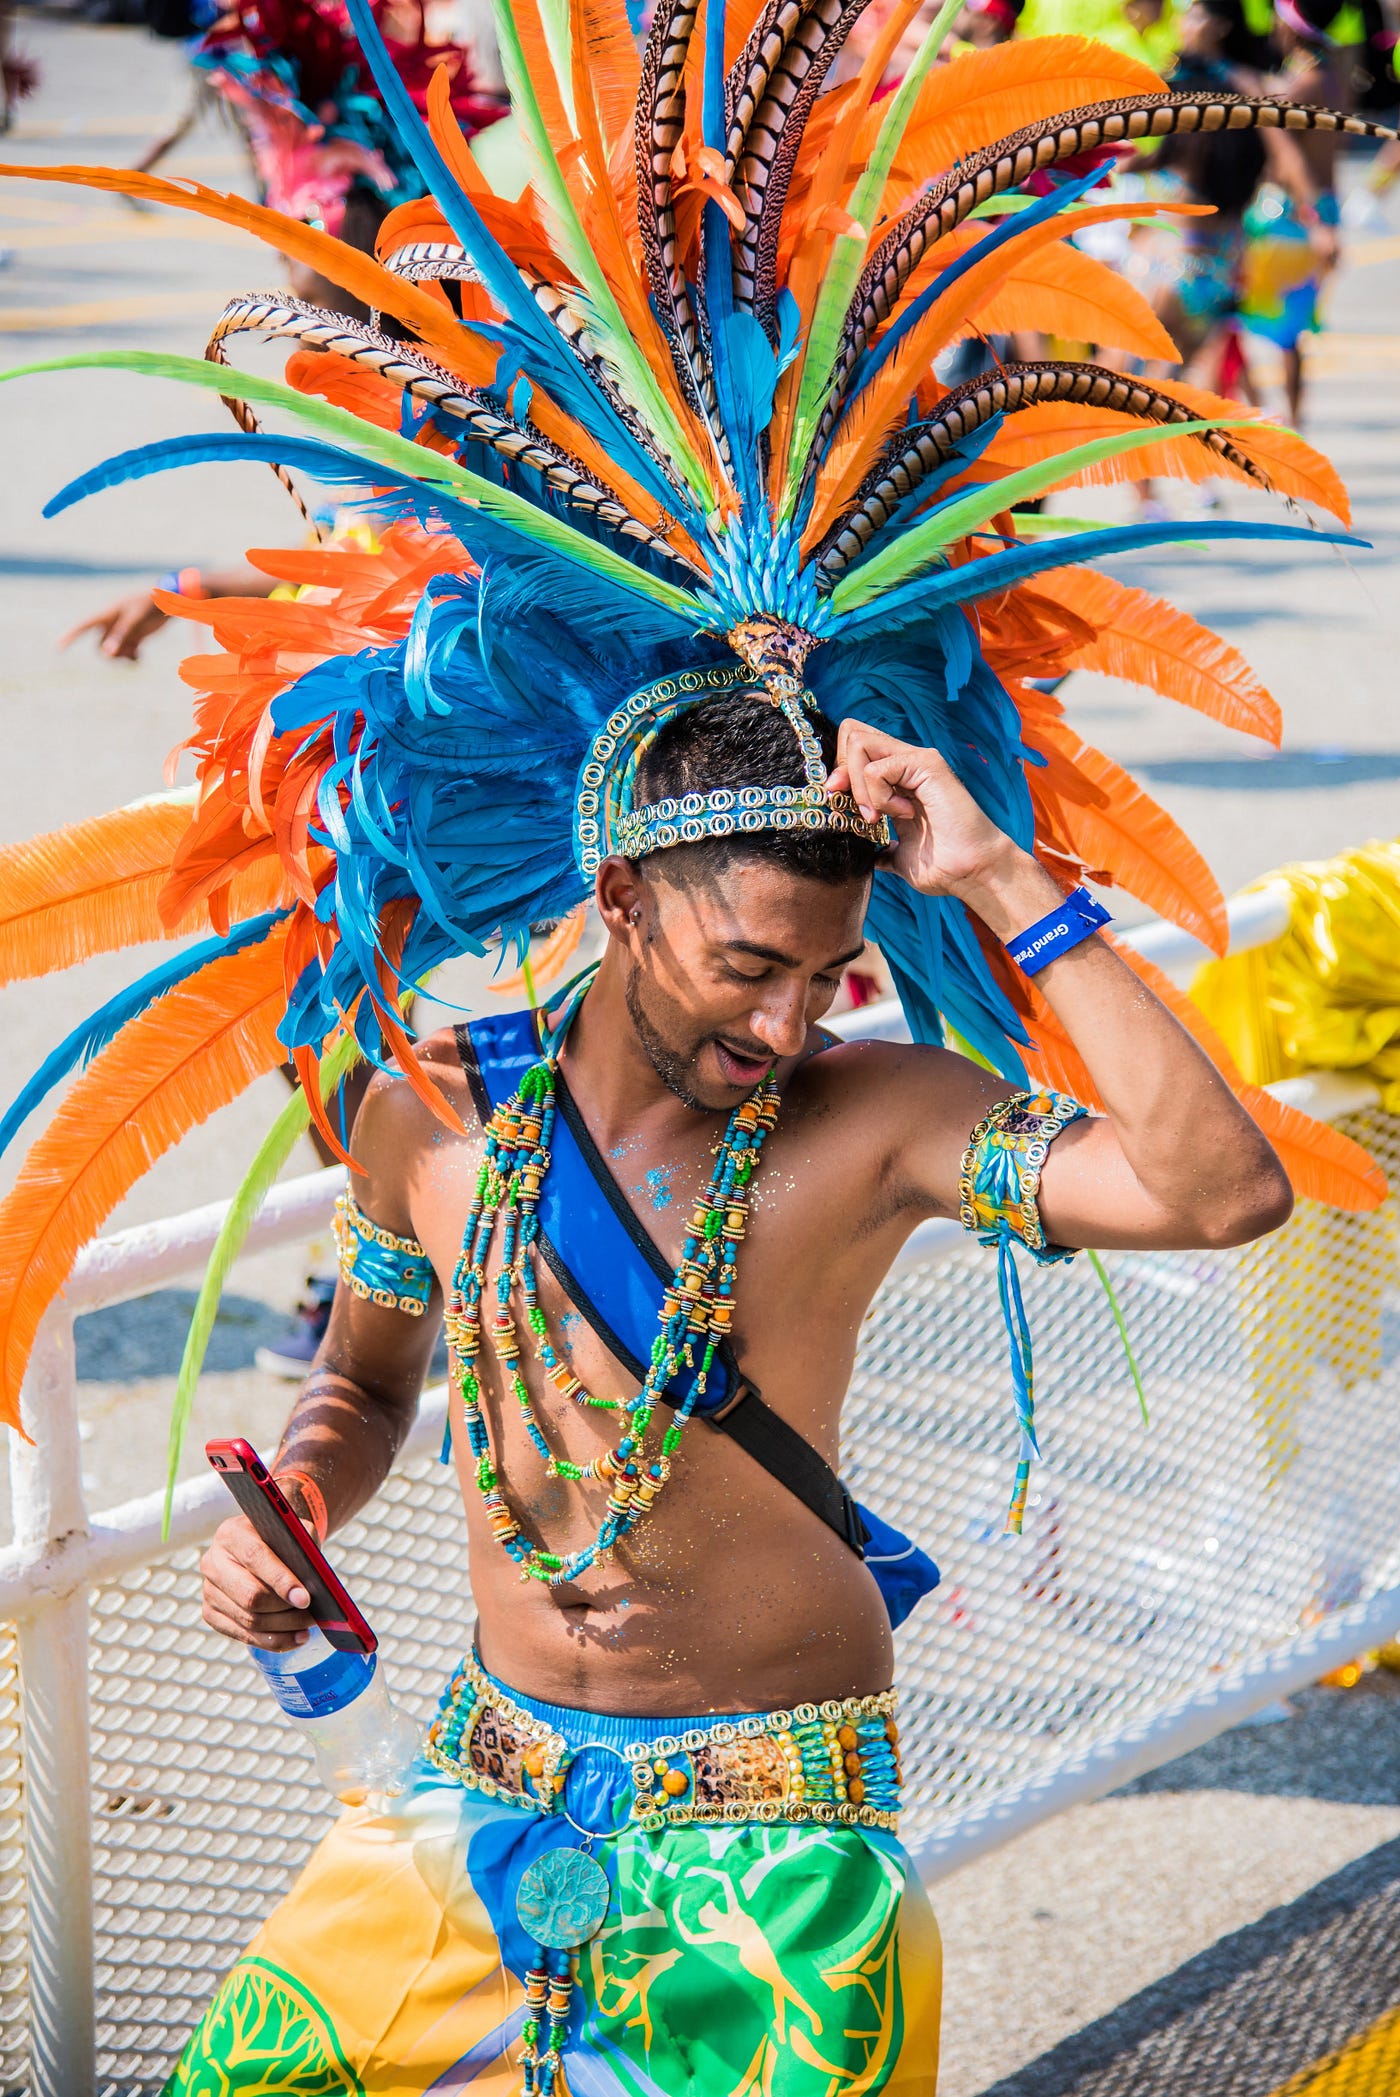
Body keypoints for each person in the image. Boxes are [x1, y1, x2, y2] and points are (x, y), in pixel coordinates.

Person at [0, 10, 1387, 2089]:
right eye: (745, 958)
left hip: (767, 1860)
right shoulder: (431, 1111)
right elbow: (366, 1372)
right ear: (620, 894)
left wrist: (1004, 881)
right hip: (463, 1817)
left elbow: (1218, 1185)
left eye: (826, 969)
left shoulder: (873, 1129)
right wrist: (296, 1492)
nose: (787, 1014)